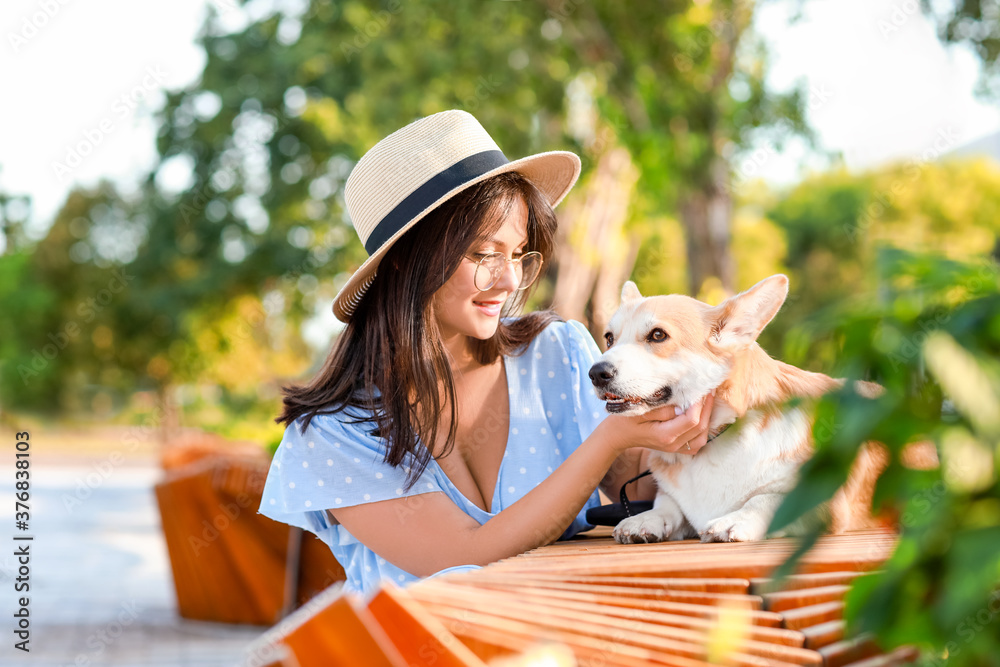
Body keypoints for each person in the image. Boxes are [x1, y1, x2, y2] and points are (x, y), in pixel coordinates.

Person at [258, 110, 714, 597]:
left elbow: (646, 492)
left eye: (519, 253)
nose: (510, 279)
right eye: (483, 254)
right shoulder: (334, 431)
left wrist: (681, 421)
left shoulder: (555, 353)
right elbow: (462, 556)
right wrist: (607, 440)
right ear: (406, 262)